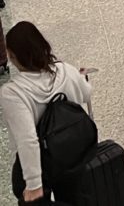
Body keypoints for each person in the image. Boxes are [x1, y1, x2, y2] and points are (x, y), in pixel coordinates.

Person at [1, 21, 94, 203]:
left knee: (21, 187)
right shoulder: (65, 70)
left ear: (13, 57)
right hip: (73, 150)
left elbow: (28, 139)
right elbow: (86, 93)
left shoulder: (13, 93)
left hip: (42, 164)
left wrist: (34, 185)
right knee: (73, 195)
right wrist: (80, 78)